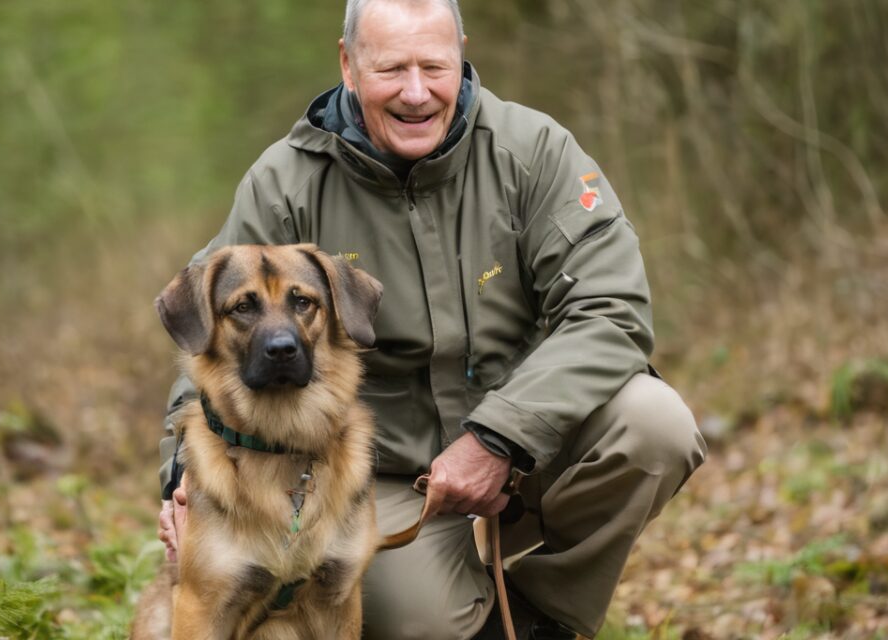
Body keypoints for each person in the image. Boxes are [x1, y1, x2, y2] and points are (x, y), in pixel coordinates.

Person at [156, 0, 707, 638]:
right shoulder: (286, 181)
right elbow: (211, 332)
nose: (416, 93)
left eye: (434, 67)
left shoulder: (534, 152)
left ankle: (539, 618)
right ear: (349, 65)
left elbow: (612, 309)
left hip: (537, 443)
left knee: (655, 426)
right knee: (413, 621)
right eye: (391, 69)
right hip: (387, 474)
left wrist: (500, 436)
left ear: (463, 55)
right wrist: (179, 473)